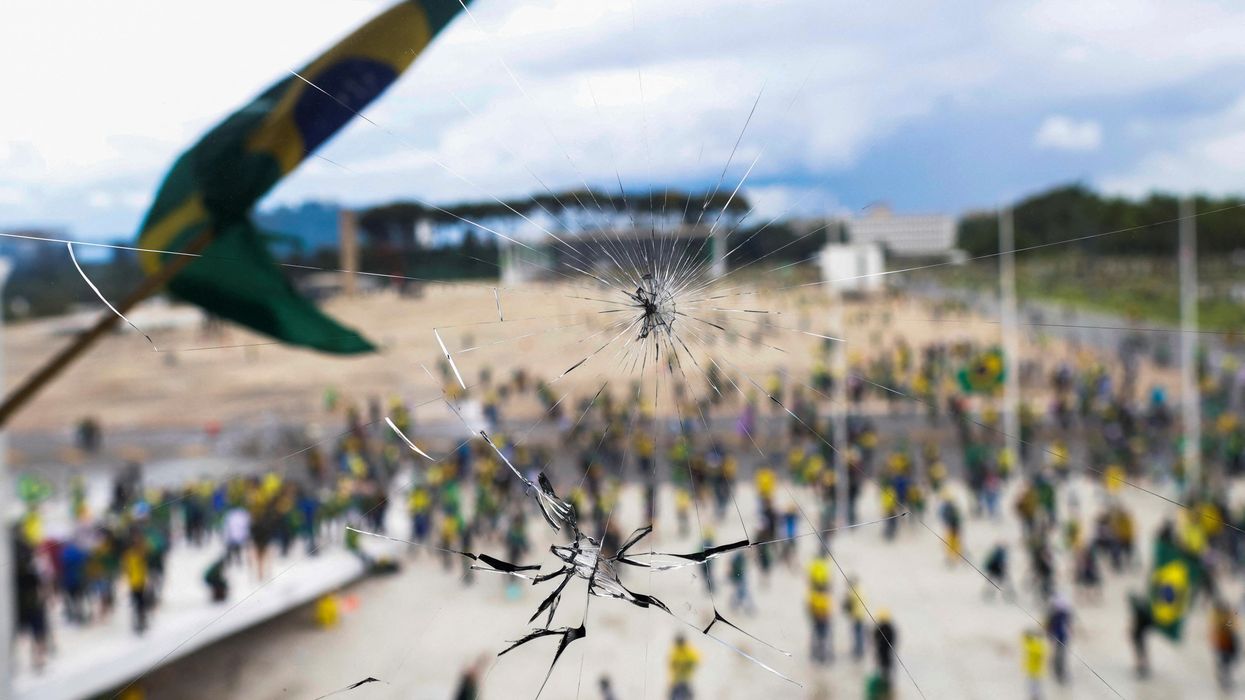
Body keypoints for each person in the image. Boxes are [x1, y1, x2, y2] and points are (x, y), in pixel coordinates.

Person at [122, 531, 150, 633]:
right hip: (135, 583)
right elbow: (127, 569)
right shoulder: (132, 555)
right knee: (138, 604)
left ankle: (141, 622)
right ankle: (139, 622)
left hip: (139, 582)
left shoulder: (138, 554)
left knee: (140, 604)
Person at [1211, 598, 1239, 690]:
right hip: (1224, 643)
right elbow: (1227, 626)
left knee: (1227, 662)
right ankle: (1224, 679)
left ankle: (1225, 677)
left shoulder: (1226, 616)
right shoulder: (1220, 617)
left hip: (1229, 643)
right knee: (1225, 663)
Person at [1046, 594, 1072, 683]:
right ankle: (1058, 673)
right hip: (1057, 638)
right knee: (1058, 656)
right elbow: (1049, 626)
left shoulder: (1063, 615)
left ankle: (1059, 673)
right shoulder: (1056, 615)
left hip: (1061, 639)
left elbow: (1067, 626)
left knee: (1060, 657)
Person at [668, 634, 700, 700]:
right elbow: (672, 664)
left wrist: (688, 664)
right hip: (677, 679)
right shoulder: (675, 652)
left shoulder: (688, 651)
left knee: (686, 694)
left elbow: (696, 659)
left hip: (685, 679)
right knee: (674, 694)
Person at [844, 577, 867, 661]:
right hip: (862, 615)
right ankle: (860, 650)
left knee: (857, 634)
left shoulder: (852, 592)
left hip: (856, 616)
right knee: (860, 633)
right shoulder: (860, 590)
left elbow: (848, 604)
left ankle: (858, 651)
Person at [1022, 628, 1047, 699]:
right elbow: (1040, 653)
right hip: (1033, 668)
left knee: (1034, 683)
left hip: (1034, 668)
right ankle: (1034, 695)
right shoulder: (1032, 645)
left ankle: (1035, 695)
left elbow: (1040, 654)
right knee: (1033, 683)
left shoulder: (1032, 645)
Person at [874, 609, 897, 682]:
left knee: (885, 668)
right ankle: (886, 682)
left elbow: (875, 636)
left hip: (884, 652)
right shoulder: (888, 628)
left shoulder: (885, 628)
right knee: (885, 668)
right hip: (884, 652)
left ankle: (886, 682)